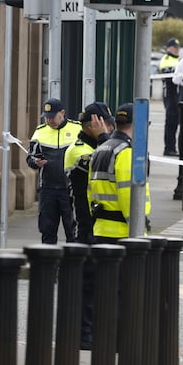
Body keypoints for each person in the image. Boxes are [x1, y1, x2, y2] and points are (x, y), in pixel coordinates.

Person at [65, 101, 114, 349]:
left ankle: (93, 333)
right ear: (95, 124)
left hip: (96, 226)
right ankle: (85, 337)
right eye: (107, 124)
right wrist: (105, 137)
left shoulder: (96, 147)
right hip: (86, 227)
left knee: (96, 287)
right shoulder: (80, 150)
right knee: (88, 287)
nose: (112, 129)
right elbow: (105, 162)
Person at [89, 103, 151, 243]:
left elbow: (90, 191)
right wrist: (137, 228)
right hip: (123, 232)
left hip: (101, 229)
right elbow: (128, 194)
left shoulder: (100, 149)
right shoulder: (126, 152)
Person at [27, 98, 81, 243]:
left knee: (73, 231)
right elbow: (30, 158)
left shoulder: (77, 129)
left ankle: (72, 264)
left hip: (70, 189)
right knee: (47, 230)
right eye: (46, 117)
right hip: (48, 189)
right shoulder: (40, 132)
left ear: (62, 113)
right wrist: (36, 162)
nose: (49, 120)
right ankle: (48, 264)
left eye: (52, 117)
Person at [159, 38, 182, 156]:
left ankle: (172, 147)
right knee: (171, 122)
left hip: (175, 94)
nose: (176, 50)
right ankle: (169, 148)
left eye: (177, 47)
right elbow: (169, 75)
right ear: (169, 48)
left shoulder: (177, 59)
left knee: (175, 122)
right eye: (174, 47)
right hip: (170, 94)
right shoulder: (167, 59)